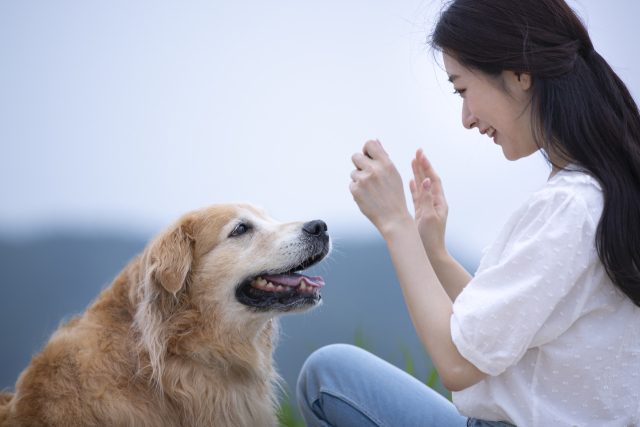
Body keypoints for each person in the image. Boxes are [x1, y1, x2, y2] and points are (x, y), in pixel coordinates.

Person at [296, 0, 640, 425]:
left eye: (462, 89)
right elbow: (495, 325)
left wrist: (395, 223)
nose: (466, 118)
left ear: (520, 72)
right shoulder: (604, 193)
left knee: (327, 375)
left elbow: (458, 365)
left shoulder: (571, 205)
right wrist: (434, 252)